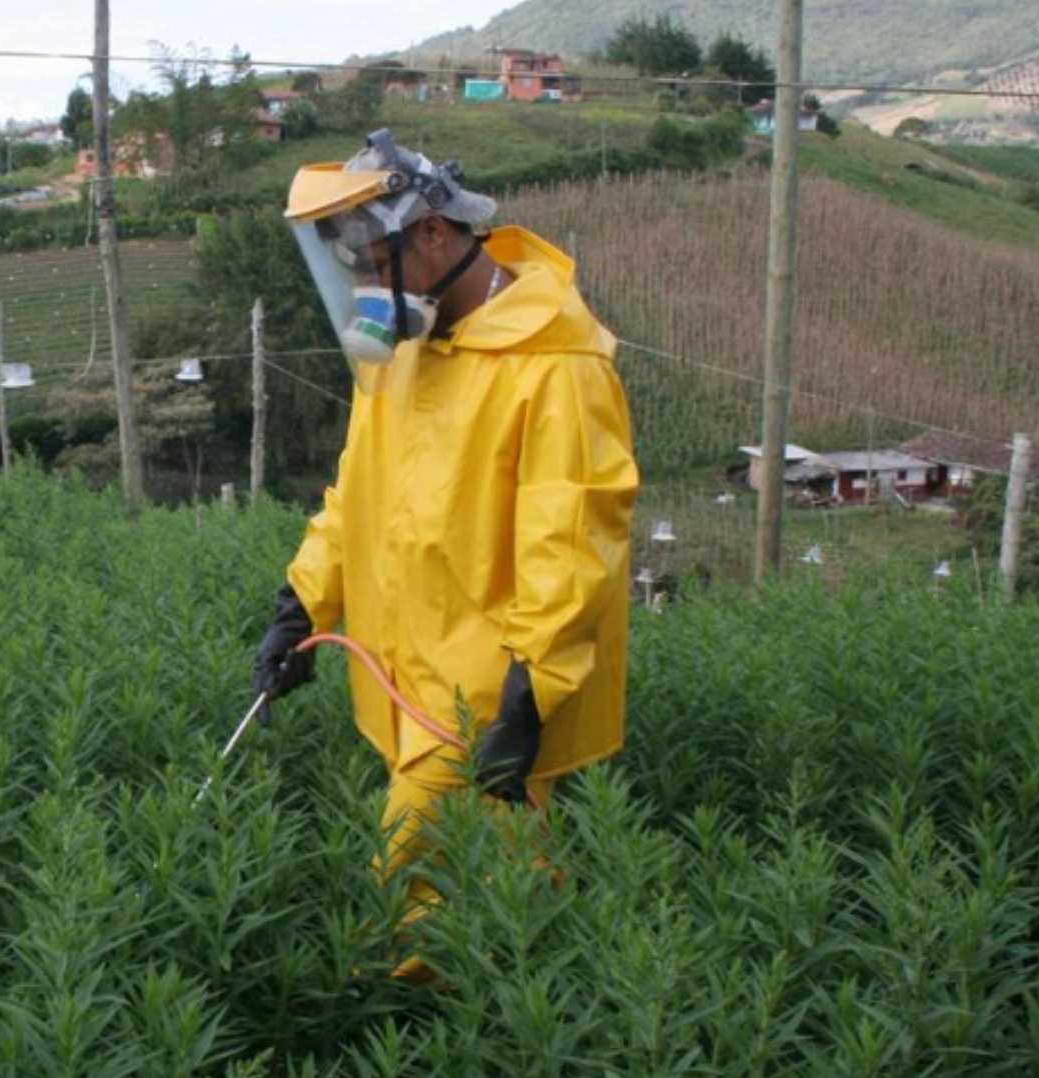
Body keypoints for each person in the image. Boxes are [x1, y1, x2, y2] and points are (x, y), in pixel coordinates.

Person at [252, 129, 639, 981]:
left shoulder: (556, 367)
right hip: (407, 669)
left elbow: (572, 545)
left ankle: (402, 1018)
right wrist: (302, 606)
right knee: (502, 886)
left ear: (431, 235)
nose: (360, 287)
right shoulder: (403, 354)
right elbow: (359, 494)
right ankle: (532, 1012)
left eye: (368, 260)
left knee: (413, 885)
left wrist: (529, 694)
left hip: (484, 690)